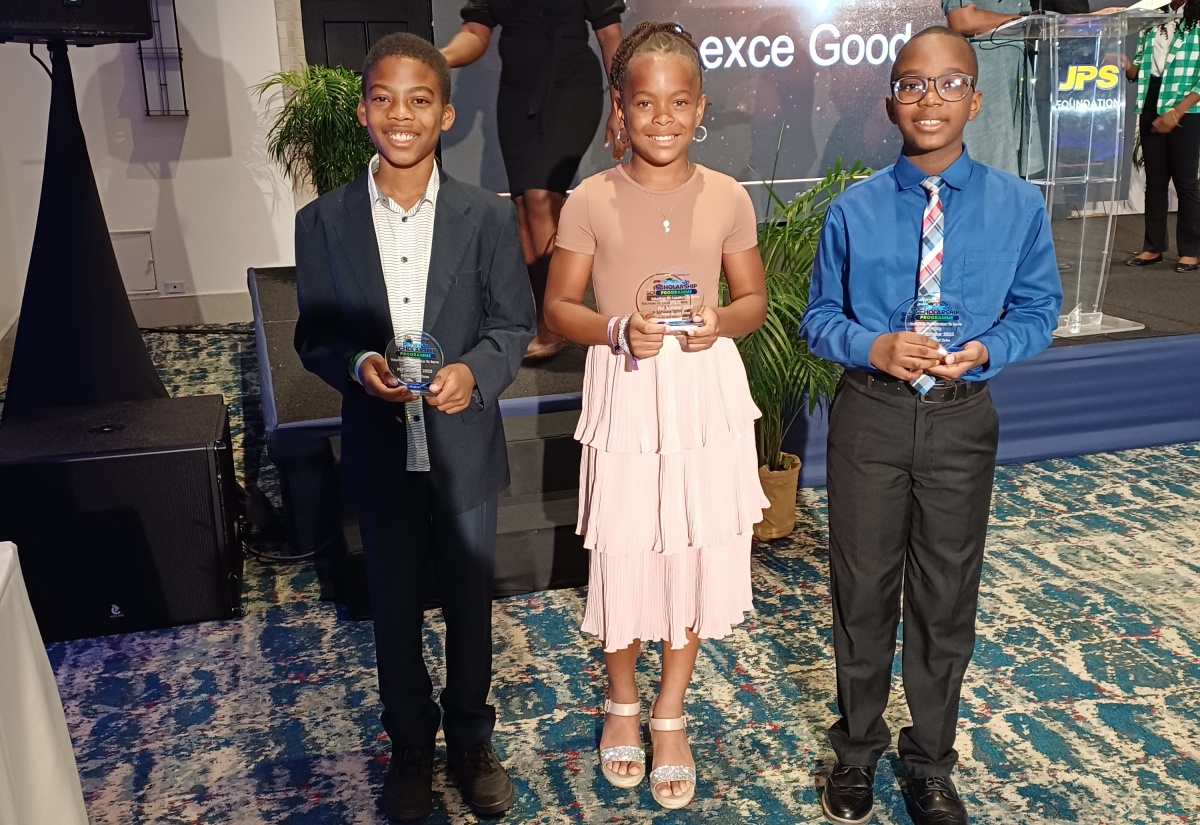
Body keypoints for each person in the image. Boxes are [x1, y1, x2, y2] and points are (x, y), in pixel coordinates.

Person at [799, 26, 1062, 825]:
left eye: (949, 84)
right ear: (890, 102)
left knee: (947, 595)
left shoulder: (1019, 205)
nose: (930, 99)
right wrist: (871, 344)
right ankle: (856, 749)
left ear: (976, 100)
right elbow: (817, 318)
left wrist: (988, 347)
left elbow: (1039, 308)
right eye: (913, 85)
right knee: (863, 587)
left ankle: (931, 760)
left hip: (959, 418)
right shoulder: (854, 208)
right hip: (871, 416)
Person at [292, 33, 535, 821]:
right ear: (364, 111)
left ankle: (469, 736)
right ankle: (410, 742)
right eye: (386, 99)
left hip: (463, 444)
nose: (403, 114)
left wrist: (477, 371)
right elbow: (315, 335)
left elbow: (511, 323)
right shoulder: (322, 221)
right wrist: (359, 362)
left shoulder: (486, 218)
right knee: (393, 607)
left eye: (420, 99)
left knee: (470, 603)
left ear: (447, 115)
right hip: (380, 445)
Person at [544, 21, 769, 811]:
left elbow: (753, 302)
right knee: (627, 552)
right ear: (622, 106)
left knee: (693, 552)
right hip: (628, 394)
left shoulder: (728, 197)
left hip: (704, 392)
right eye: (646, 103)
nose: (663, 118)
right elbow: (559, 306)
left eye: (679, 102)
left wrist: (719, 321)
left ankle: (670, 712)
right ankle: (623, 704)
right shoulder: (590, 199)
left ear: (700, 107)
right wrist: (613, 328)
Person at [441, 1, 625, 361]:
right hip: (517, 91)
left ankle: (556, 319)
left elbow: (610, 36)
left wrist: (621, 104)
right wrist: (436, 58)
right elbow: (476, 35)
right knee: (523, 204)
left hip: (571, 86)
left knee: (542, 197)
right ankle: (545, 315)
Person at [1123, 0, 1200, 273]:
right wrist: (1125, 64)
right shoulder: (1152, 19)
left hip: (1187, 109)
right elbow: (1141, 71)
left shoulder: (1198, 19)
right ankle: (1153, 247)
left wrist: (1177, 112)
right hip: (1150, 102)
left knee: (1185, 180)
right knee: (1155, 181)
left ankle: (1191, 250)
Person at [944, 0, 1042, 176]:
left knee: (1012, 180)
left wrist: (1081, 19)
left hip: (1016, 73)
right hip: (986, 74)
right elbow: (963, 19)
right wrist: (1023, 20)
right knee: (983, 171)